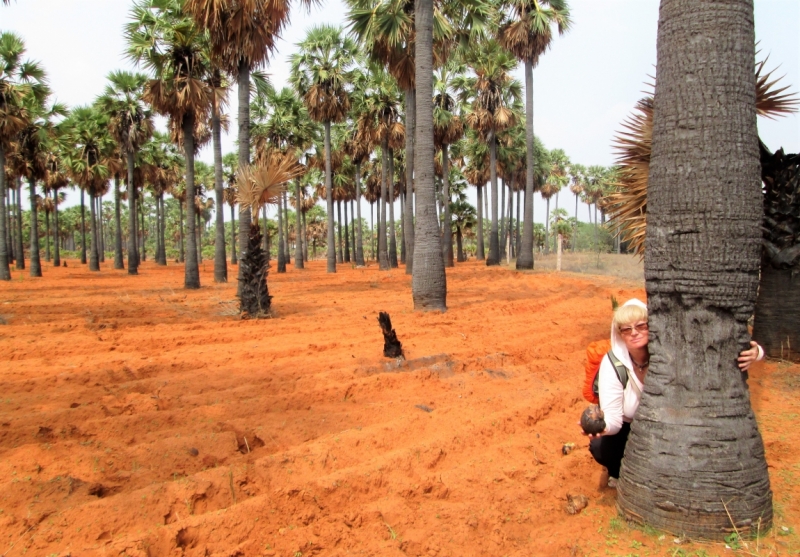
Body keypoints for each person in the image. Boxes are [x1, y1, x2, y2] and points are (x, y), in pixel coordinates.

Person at [587, 298, 764, 488]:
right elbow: (614, 419)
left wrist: (757, 352)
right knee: (601, 448)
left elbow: (710, 351)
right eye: (626, 329)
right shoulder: (613, 364)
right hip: (629, 429)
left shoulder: (671, 353)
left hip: (672, 426)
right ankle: (620, 474)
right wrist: (605, 428)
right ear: (619, 334)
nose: (634, 333)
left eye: (641, 326)